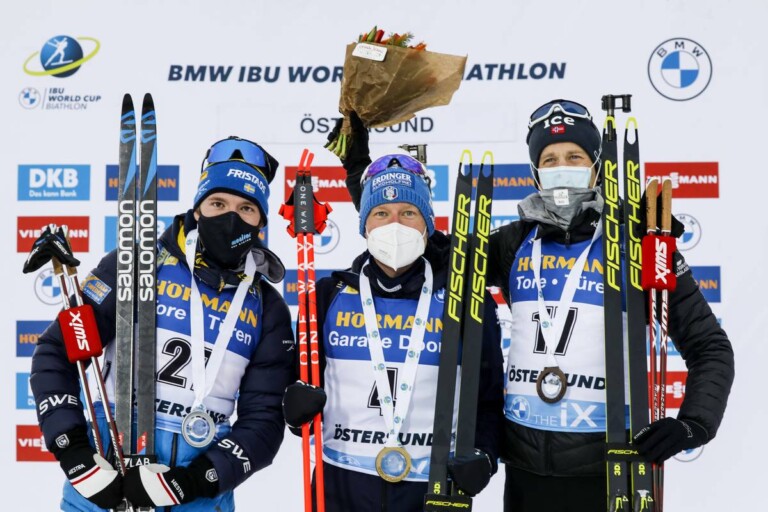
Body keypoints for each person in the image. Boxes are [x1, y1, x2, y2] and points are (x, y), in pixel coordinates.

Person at [334, 104, 735, 511]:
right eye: (550, 160)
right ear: (536, 172)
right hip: (526, 473)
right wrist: (361, 176)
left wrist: (694, 423)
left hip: (611, 466)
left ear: (597, 167)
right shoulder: (515, 243)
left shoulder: (633, 245)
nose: (563, 168)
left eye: (574, 157)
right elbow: (417, 240)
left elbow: (709, 346)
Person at [30, 137, 296, 511]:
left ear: (260, 222)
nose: (230, 217)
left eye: (246, 208)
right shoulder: (138, 264)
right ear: (198, 210)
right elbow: (59, 351)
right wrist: (72, 450)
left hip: (197, 496)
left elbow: (264, 422)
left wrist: (192, 482)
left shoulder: (267, 307)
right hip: (105, 476)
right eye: (218, 204)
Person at [281, 153, 504, 511]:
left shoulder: (466, 301)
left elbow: (489, 401)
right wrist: (294, 412)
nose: (395, 225)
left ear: (427, 224)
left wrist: (486, 455)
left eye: (408, 213)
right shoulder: (327, 296)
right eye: (381, 213)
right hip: (341, 487)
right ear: (365, 226)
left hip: (431, 489)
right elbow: (300, 389)